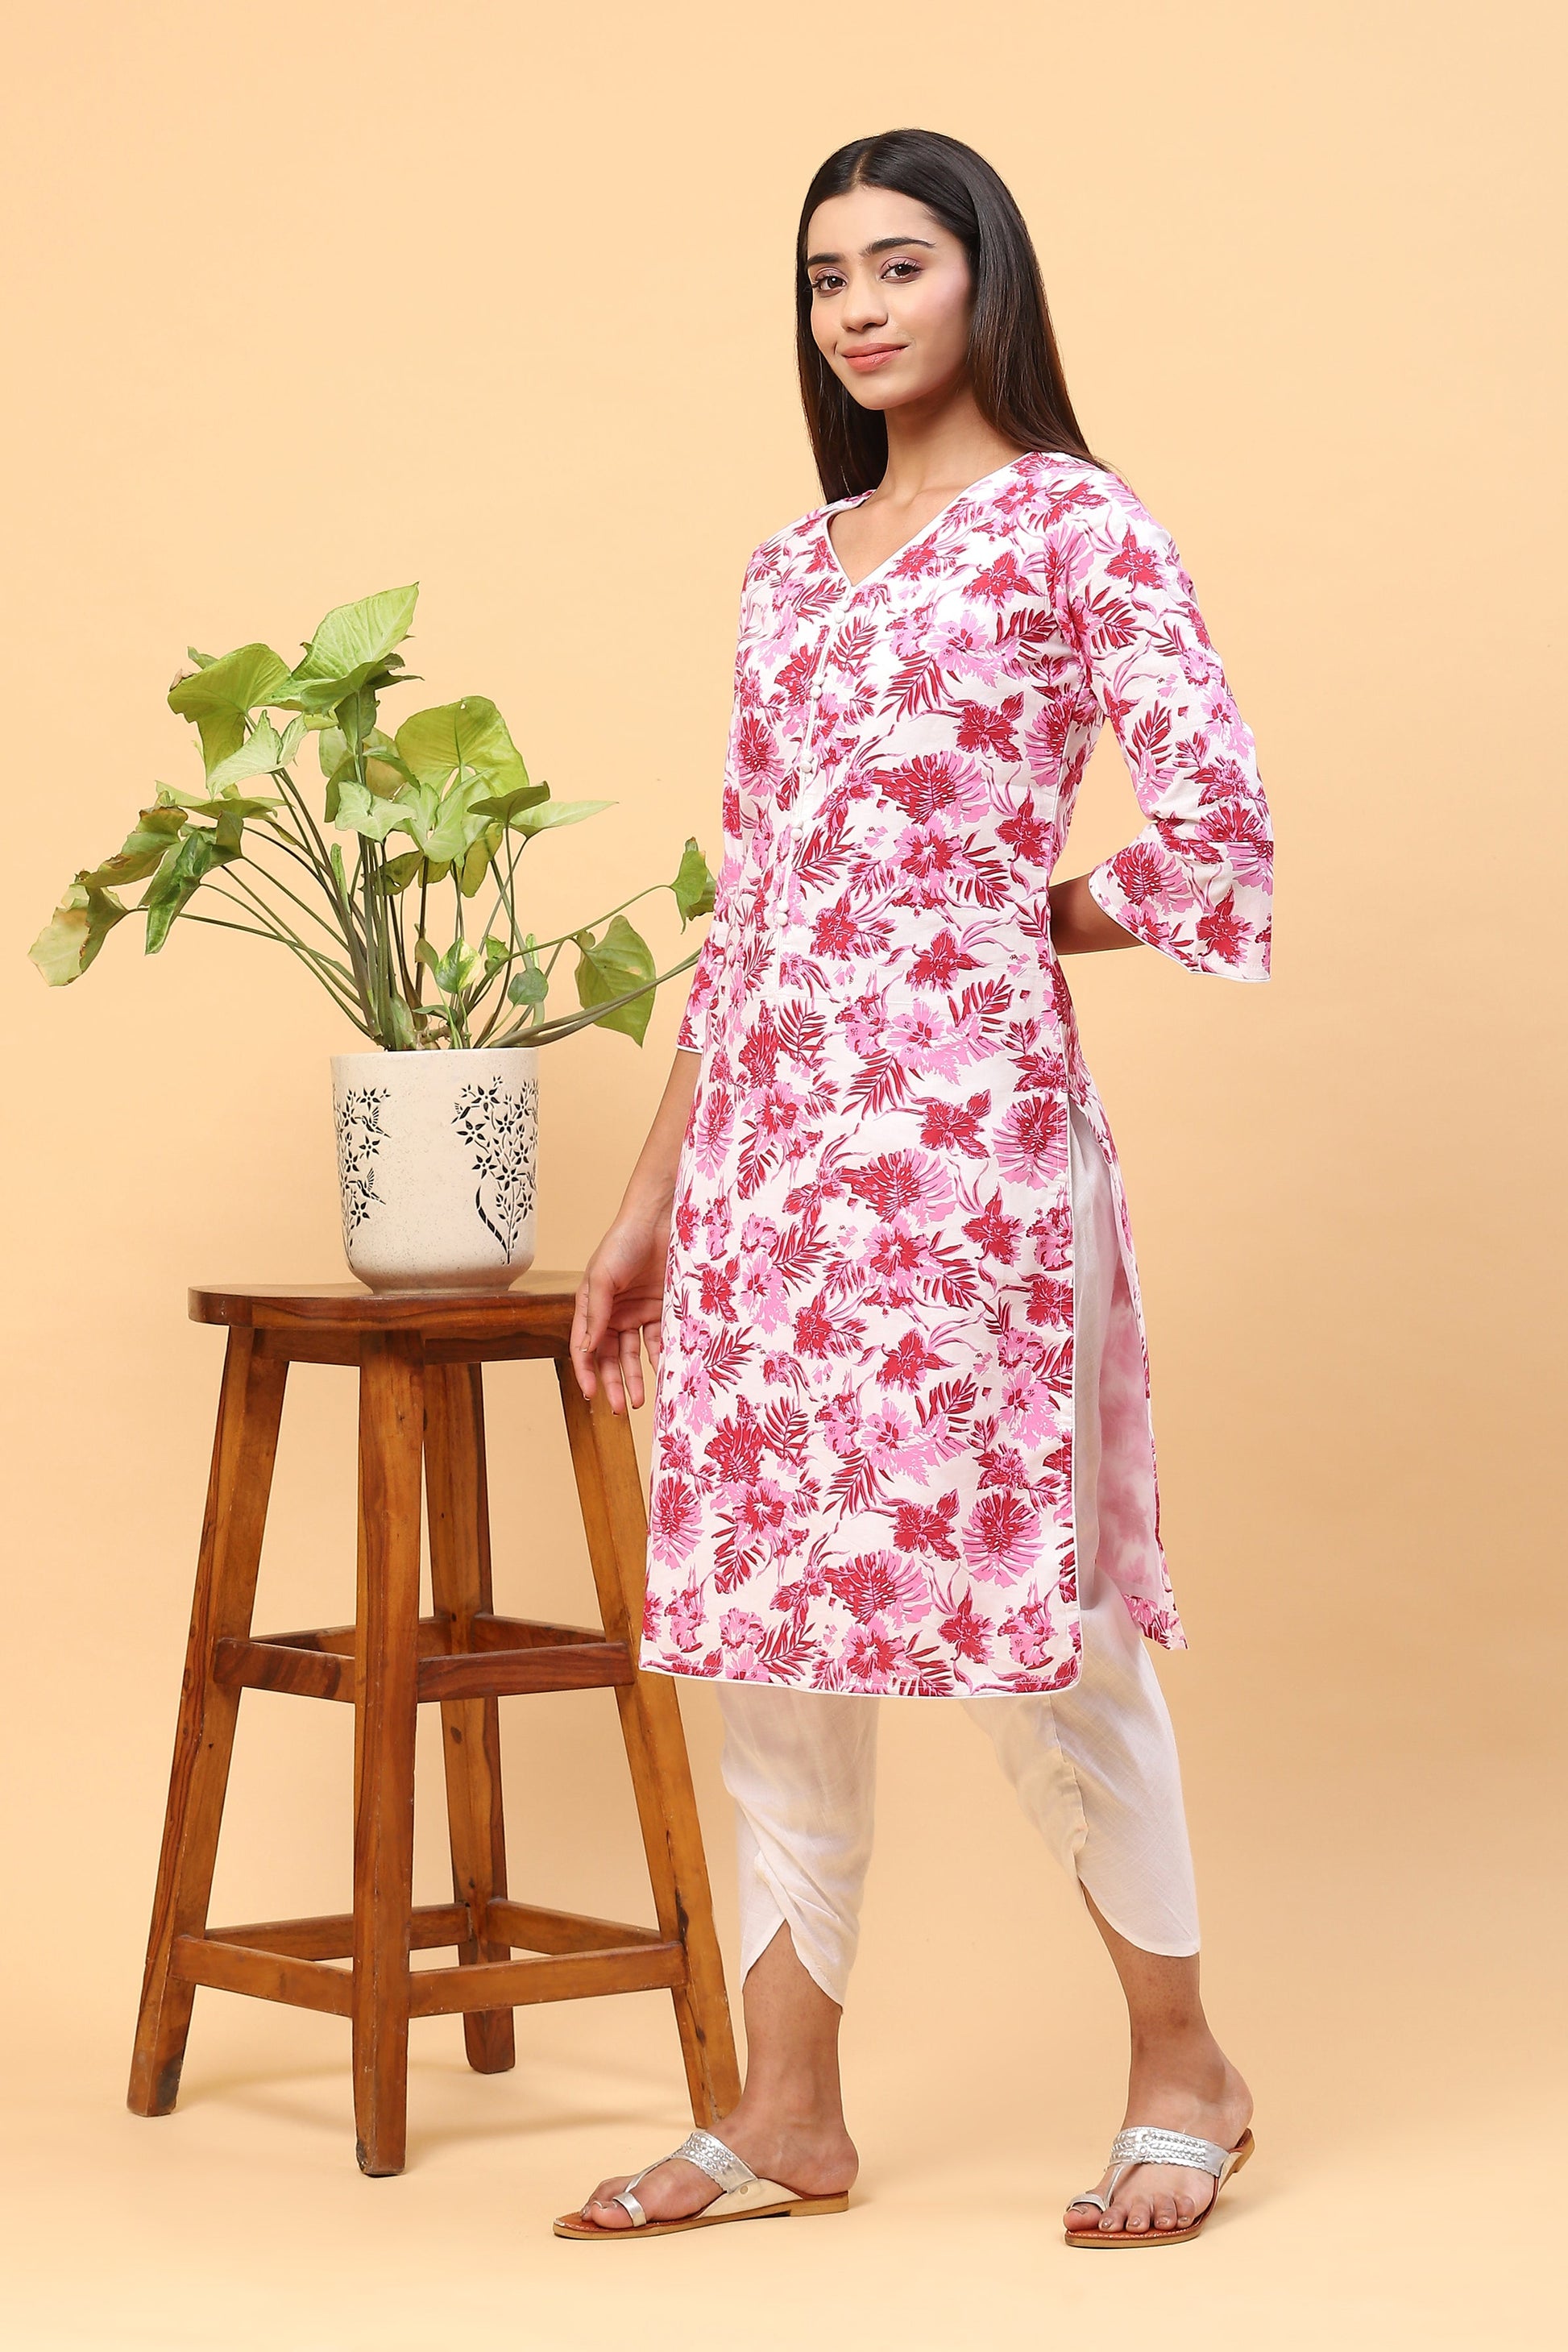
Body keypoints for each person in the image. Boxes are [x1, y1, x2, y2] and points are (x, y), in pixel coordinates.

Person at [557, 127, 1271, 2249]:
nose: (858, 309)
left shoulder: (1076, 529)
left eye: (897, 264)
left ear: (984, 280)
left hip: (971, 1166)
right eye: (824, 279)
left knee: (1045, 1614)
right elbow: (759, 908)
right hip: (773, 1172)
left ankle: (1182, 2066)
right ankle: (785, 2111)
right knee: (766, 1631)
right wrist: (647, 1204)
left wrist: (1017, 915)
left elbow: (1218, 833)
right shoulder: (789, 570)